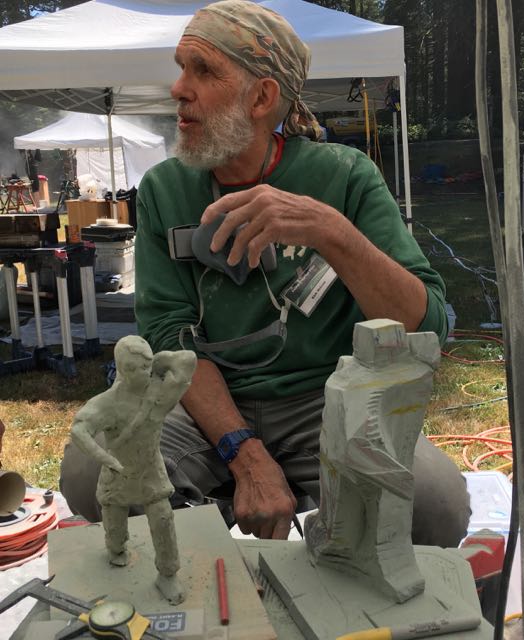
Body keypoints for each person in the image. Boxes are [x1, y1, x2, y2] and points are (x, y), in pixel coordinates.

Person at [61, 0, 470, 546]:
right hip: (206, 399)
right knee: (97, 474)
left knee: (434, 505)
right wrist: (244, 454)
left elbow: (427, 327)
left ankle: (331, 558)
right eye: (181, 67)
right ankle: (205, 574)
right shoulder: (164, 188)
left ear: (262, 97)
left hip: (325, 400)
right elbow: (168, 336)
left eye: (203, 70)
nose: (178, 88)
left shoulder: (345, 176)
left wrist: (331, 231)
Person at [67, 336, 196, 604]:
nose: (146, 373)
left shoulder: (159, 393)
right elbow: (79, 429)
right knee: (114, 526)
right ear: (123, 370)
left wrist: (161, 360)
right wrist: (105, 458)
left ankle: (167, 575)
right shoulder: (108, 402)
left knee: (162, 518)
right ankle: (116, 551)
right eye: (138, 368)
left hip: (151, 469)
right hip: (119, 471)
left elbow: (189, 361)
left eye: (148, 366)